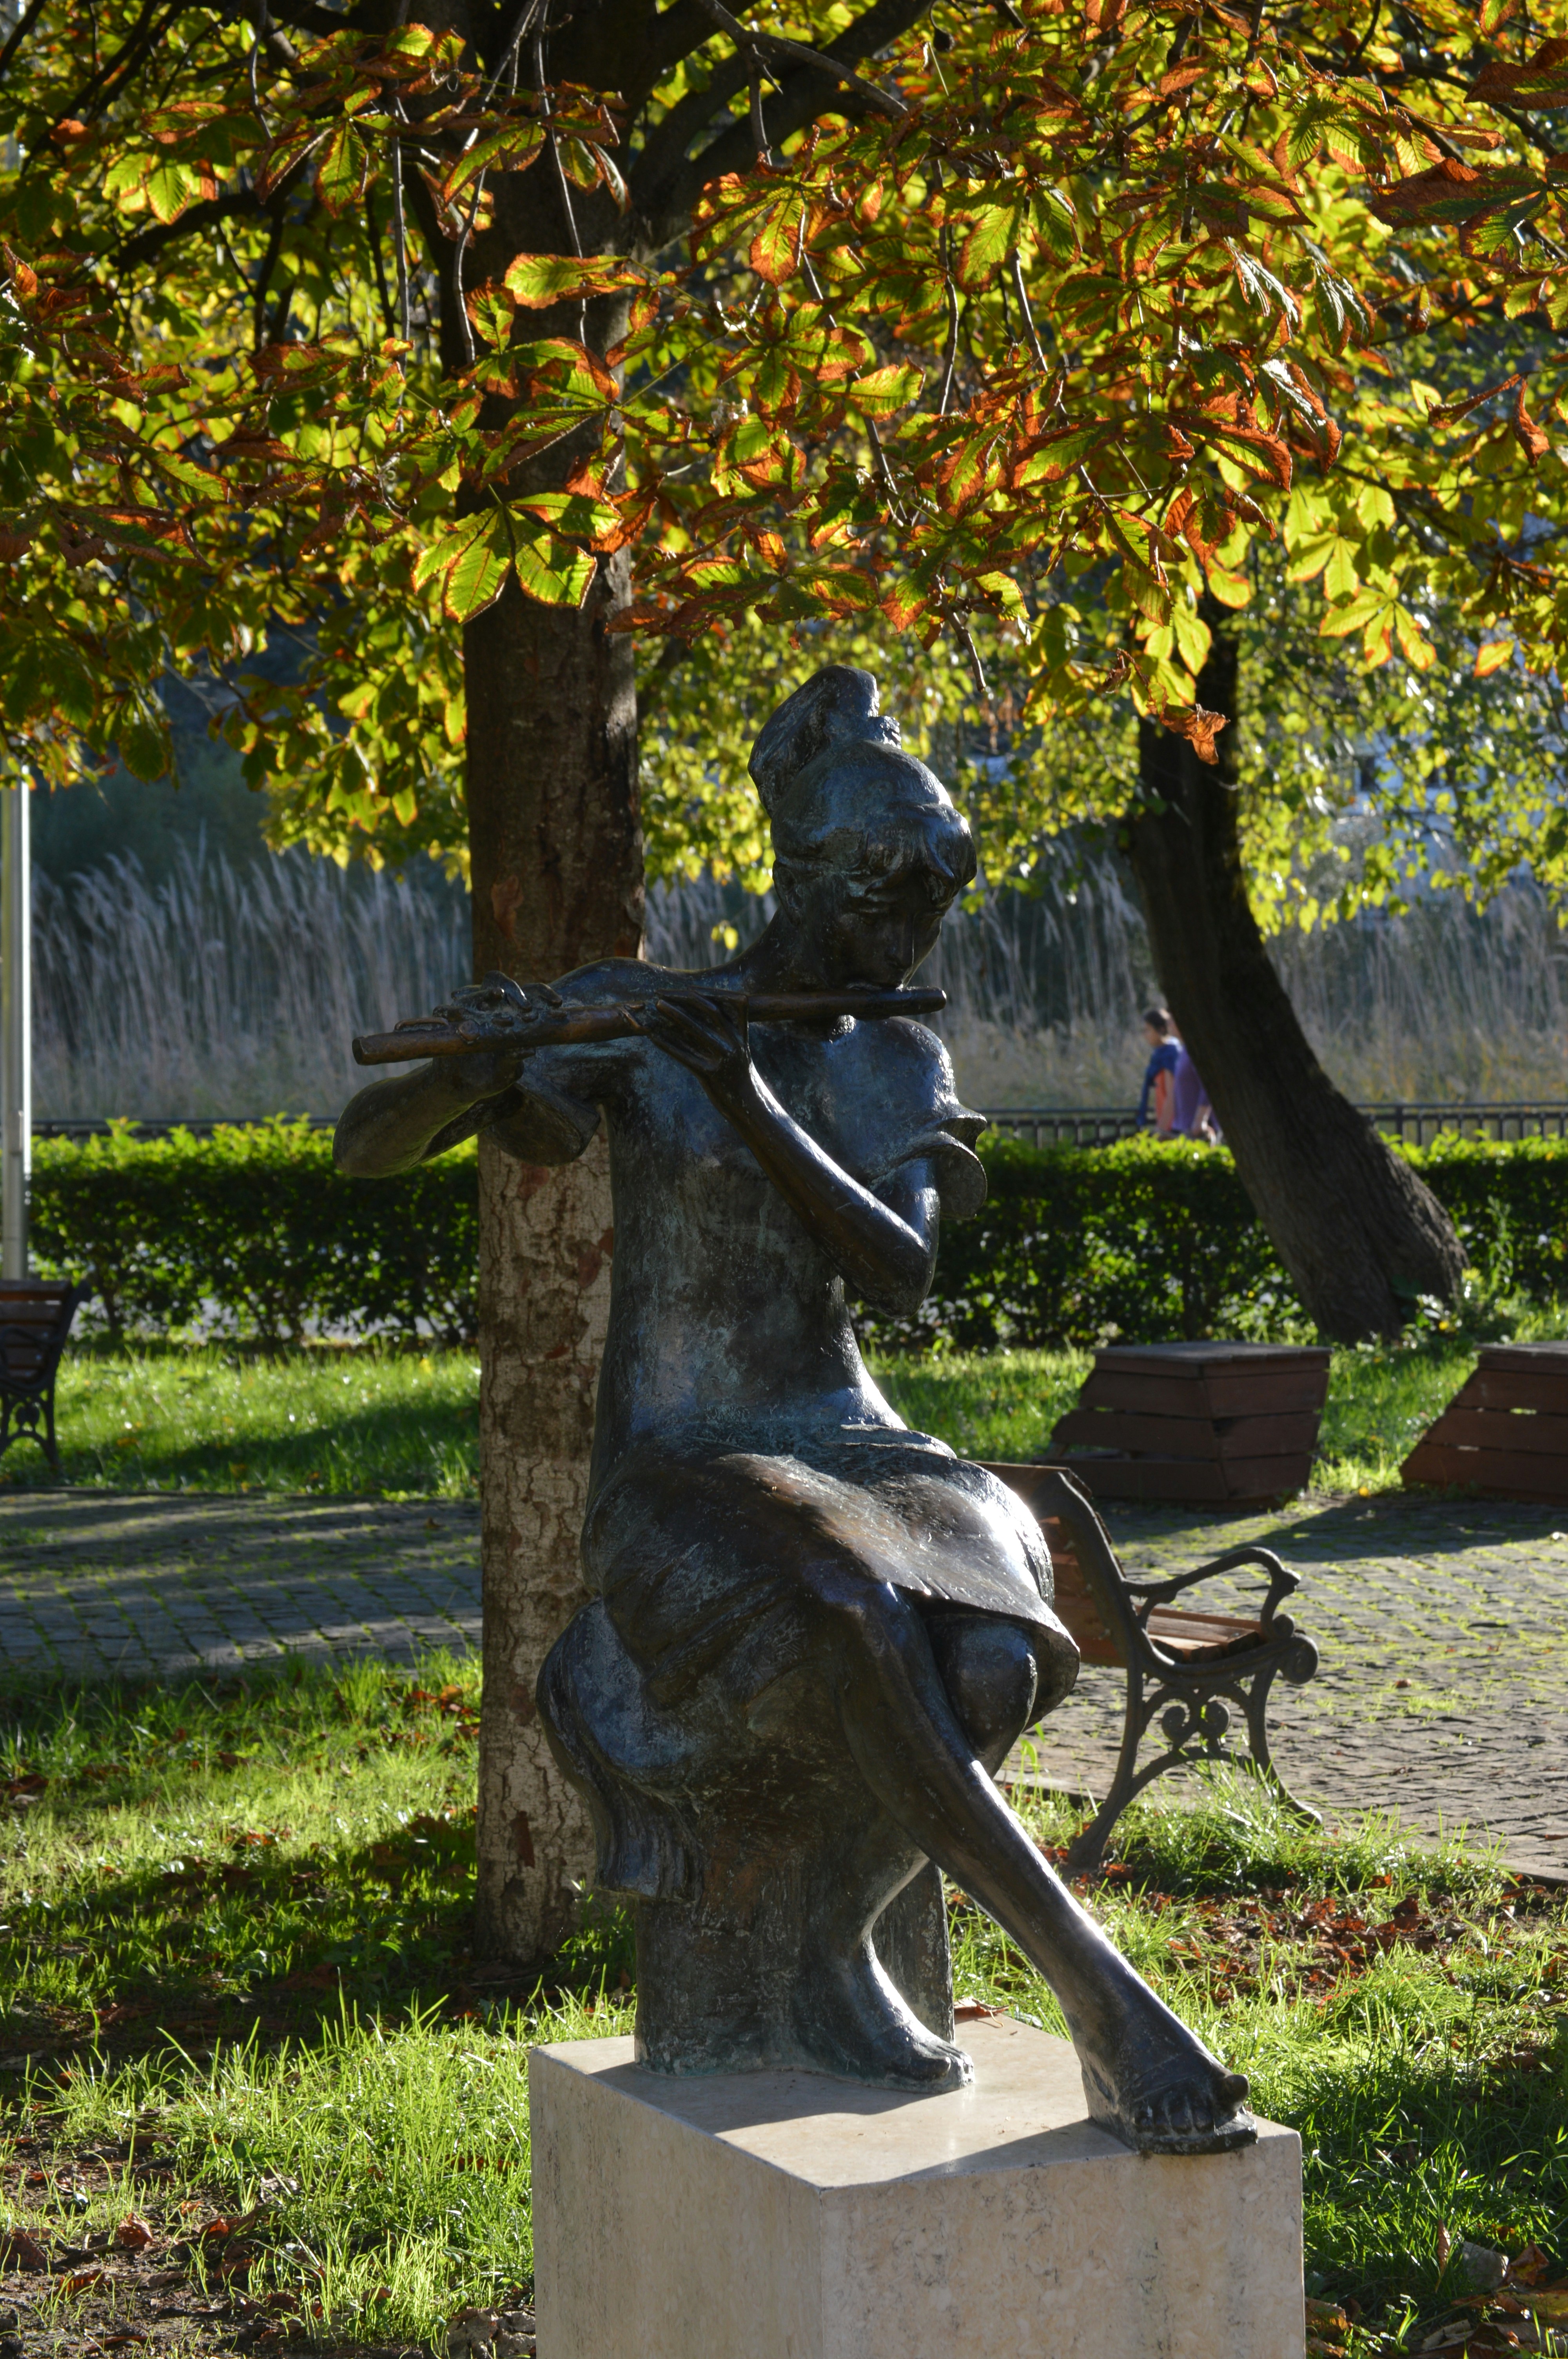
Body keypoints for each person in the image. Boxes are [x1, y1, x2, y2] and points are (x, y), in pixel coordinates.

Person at [334, 664, 1253, 2157]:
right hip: (689, 1449)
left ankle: (835, 1940)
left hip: (853, 1426)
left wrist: (750, 1090)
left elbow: (896, 1275)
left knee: (1000, 1642)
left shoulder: (893, 1051)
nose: (902, 940)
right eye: (879, 903)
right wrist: (484, 1061)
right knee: (843, 1594)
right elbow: (367, 1147)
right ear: (805, 875)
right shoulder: (655, 1020)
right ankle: (1099, 1988)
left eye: (924, 913)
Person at [1136, 1007, 1179, 1135]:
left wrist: (1161, 1128)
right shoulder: (1159, 1055)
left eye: (1148, 1030)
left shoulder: (1170, 1054)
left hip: (1172, 1127)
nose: (1145, 1035)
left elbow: (1172, 1095)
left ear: (1161, 1029)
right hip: (1165, 1123)